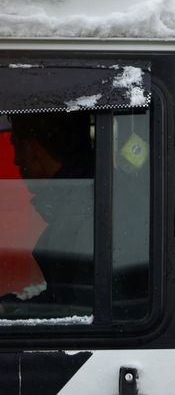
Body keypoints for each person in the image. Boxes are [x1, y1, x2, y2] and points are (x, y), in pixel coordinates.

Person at [4, 112, 95, 312]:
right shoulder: (85, 200)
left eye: (14, 144)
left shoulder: (85, 211)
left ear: (31, 149)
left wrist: (18, 313)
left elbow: (81, 310)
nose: (17, 160)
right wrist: (10, 309)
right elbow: (64, 301)